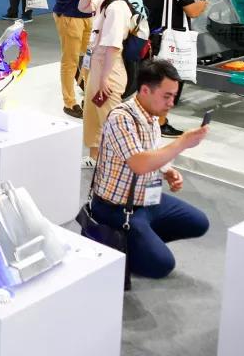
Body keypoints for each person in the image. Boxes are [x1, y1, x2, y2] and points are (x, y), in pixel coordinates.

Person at [90, 59, 210, 279]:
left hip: (146, 198)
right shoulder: (121, 118)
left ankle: (139, 241)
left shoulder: (151, 115)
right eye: (167, 96)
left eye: (174, 96)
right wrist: (181, 143)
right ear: (145, 90)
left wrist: (166, 171)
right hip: (117, 208)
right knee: (162, 265)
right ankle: (122, 242)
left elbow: (152, 151)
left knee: (199, 222)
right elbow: (139, 163)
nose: (171, 103)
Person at [139, 0, 208, 136]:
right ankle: (161, 124)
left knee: (153, 82)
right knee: (168, 84)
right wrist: (203, 2)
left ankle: (149, 120)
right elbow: (192, 11)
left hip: (151, 39)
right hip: (171, 41)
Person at [78, 0, 133, 167]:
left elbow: (113, 47)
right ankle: (95, 157)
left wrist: (104, 79)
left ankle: (118, 163)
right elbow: (82, 6)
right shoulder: (104, 0)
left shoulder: (117, 7)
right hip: (97, 64)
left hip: (108, 69)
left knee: (109, 119)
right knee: (93, 114)